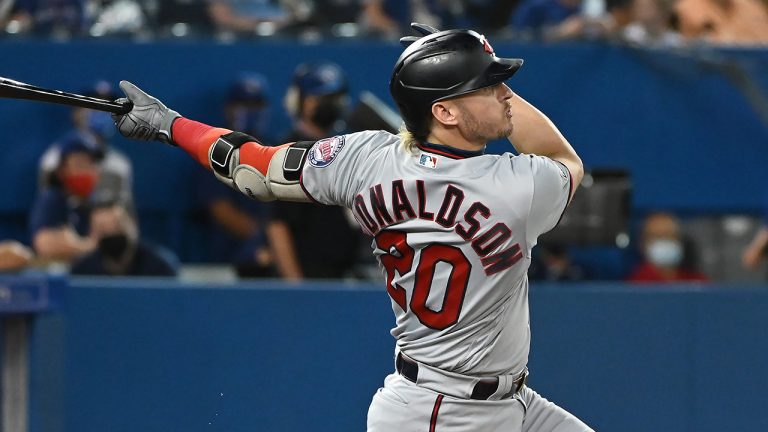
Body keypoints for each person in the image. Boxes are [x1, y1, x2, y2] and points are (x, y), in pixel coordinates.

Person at [111, 22, 590, 431]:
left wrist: (171, 126)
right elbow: (563, 158)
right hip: (445, 412)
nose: (506, 93)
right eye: (489, 86)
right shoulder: (517, 188)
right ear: (443, 112)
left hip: (502, 403)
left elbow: (252, 167)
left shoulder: (365, 160)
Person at [266, 61, 362, 280]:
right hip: (309, 274)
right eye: (319, 99)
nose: (328, 105)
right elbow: (278, 225)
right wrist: (297, 285)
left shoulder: (350, 146)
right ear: (298, 102)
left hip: (348, 274)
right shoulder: (287, 152)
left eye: (333, 99)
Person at [195, 72, 274, 277]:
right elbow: (220, 210)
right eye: (243, 105)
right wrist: (267, 238)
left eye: (256, 105)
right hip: (227, 261)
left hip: (275, 258)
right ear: (228, 109)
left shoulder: (276, 150)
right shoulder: (215, 151)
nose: (250, 111)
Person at [38, 80, 134, 211]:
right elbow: (47, 216)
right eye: (94, 104)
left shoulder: (120, 164)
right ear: (76, 112)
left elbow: (127, 218)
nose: (102, 111)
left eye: (110, 105)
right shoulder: (54, 160)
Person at [29, 131, 101, 262]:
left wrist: (74, 243)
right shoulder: (52, 199)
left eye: (90, 164)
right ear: (62, 171)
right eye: (79, 164)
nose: (86, 171)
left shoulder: (96, 202)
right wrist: (89, 246)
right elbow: (45, 243)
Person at [70, 201, 178, 276]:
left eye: (117, 226)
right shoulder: (82, 271)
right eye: (102, 230)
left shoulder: (160, 268)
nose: (110, 233)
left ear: (134, 224)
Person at [627, 212, 708, 282]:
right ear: (642, 244)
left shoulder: (695, 282)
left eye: (669, 236)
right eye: (656, 237)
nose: (663, 241)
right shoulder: (637, 283)